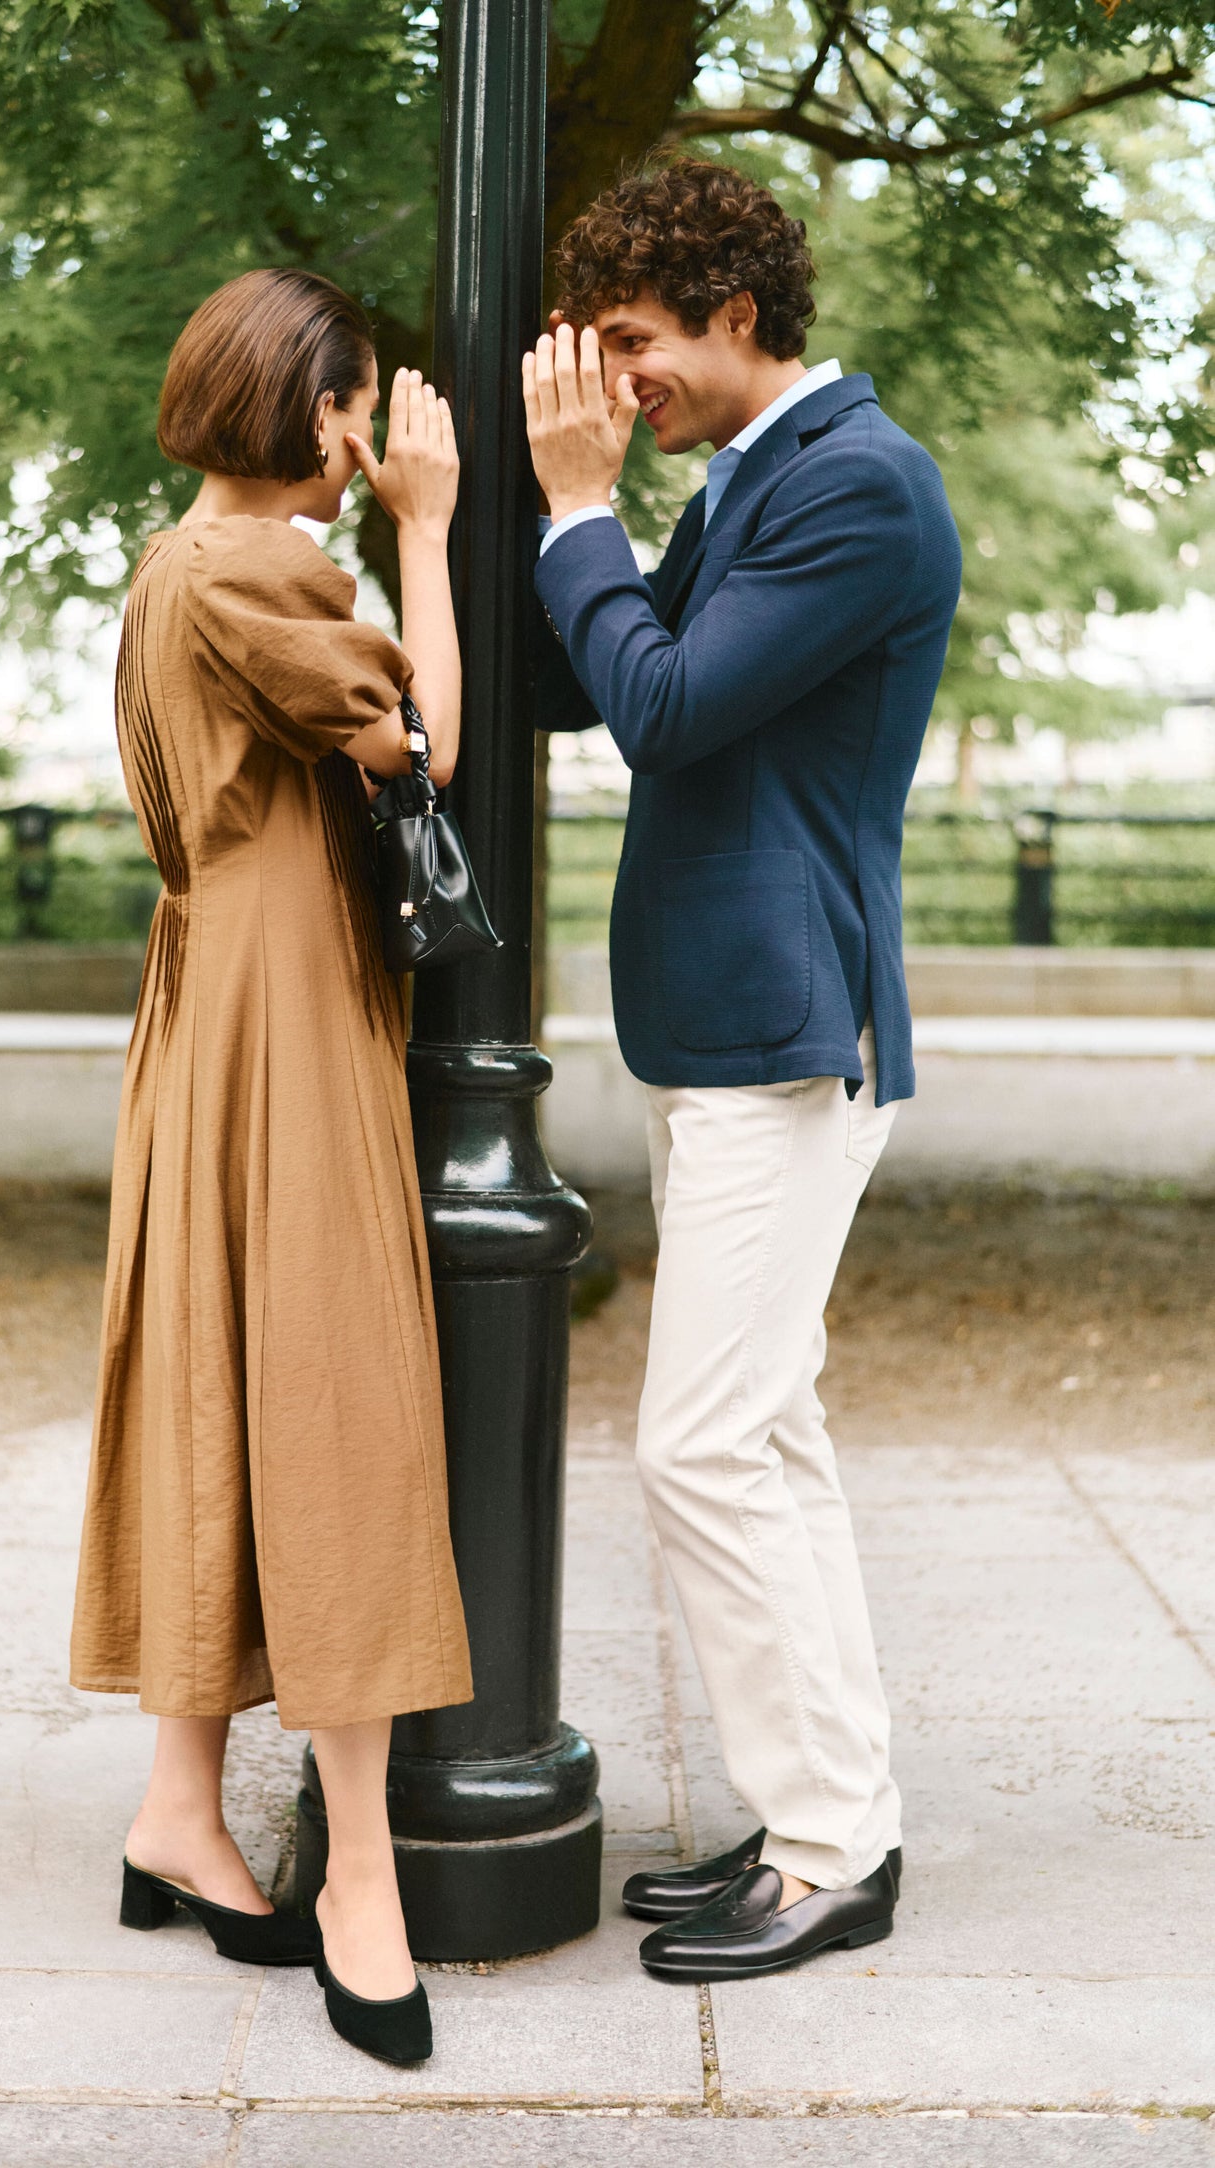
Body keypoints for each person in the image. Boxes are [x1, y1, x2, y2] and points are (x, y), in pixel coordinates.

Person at [523, 161, 961, 1981]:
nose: (620, 381)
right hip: (725, 1019)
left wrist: (577, 515)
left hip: (789, 1024)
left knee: (700, 1444)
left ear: (735, 313)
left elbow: (667, 707)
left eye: (634, 345)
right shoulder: (759, 478)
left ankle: (829, 1850)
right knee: (766, 1434)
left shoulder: (855, 483)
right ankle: (825, 1816)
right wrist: (512, 519)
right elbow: (588, 679)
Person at [70, 267, 473, 2065]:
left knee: (219, 1388)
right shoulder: (261, 570)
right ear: (303, 412)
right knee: (334, 1405)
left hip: (203, 1006)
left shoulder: (174, 561)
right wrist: (433, 533)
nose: (370, 436)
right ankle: (361, 1874)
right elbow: (429, 745)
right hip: (286, 1018)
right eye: (356, 405)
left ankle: (180, 1807)